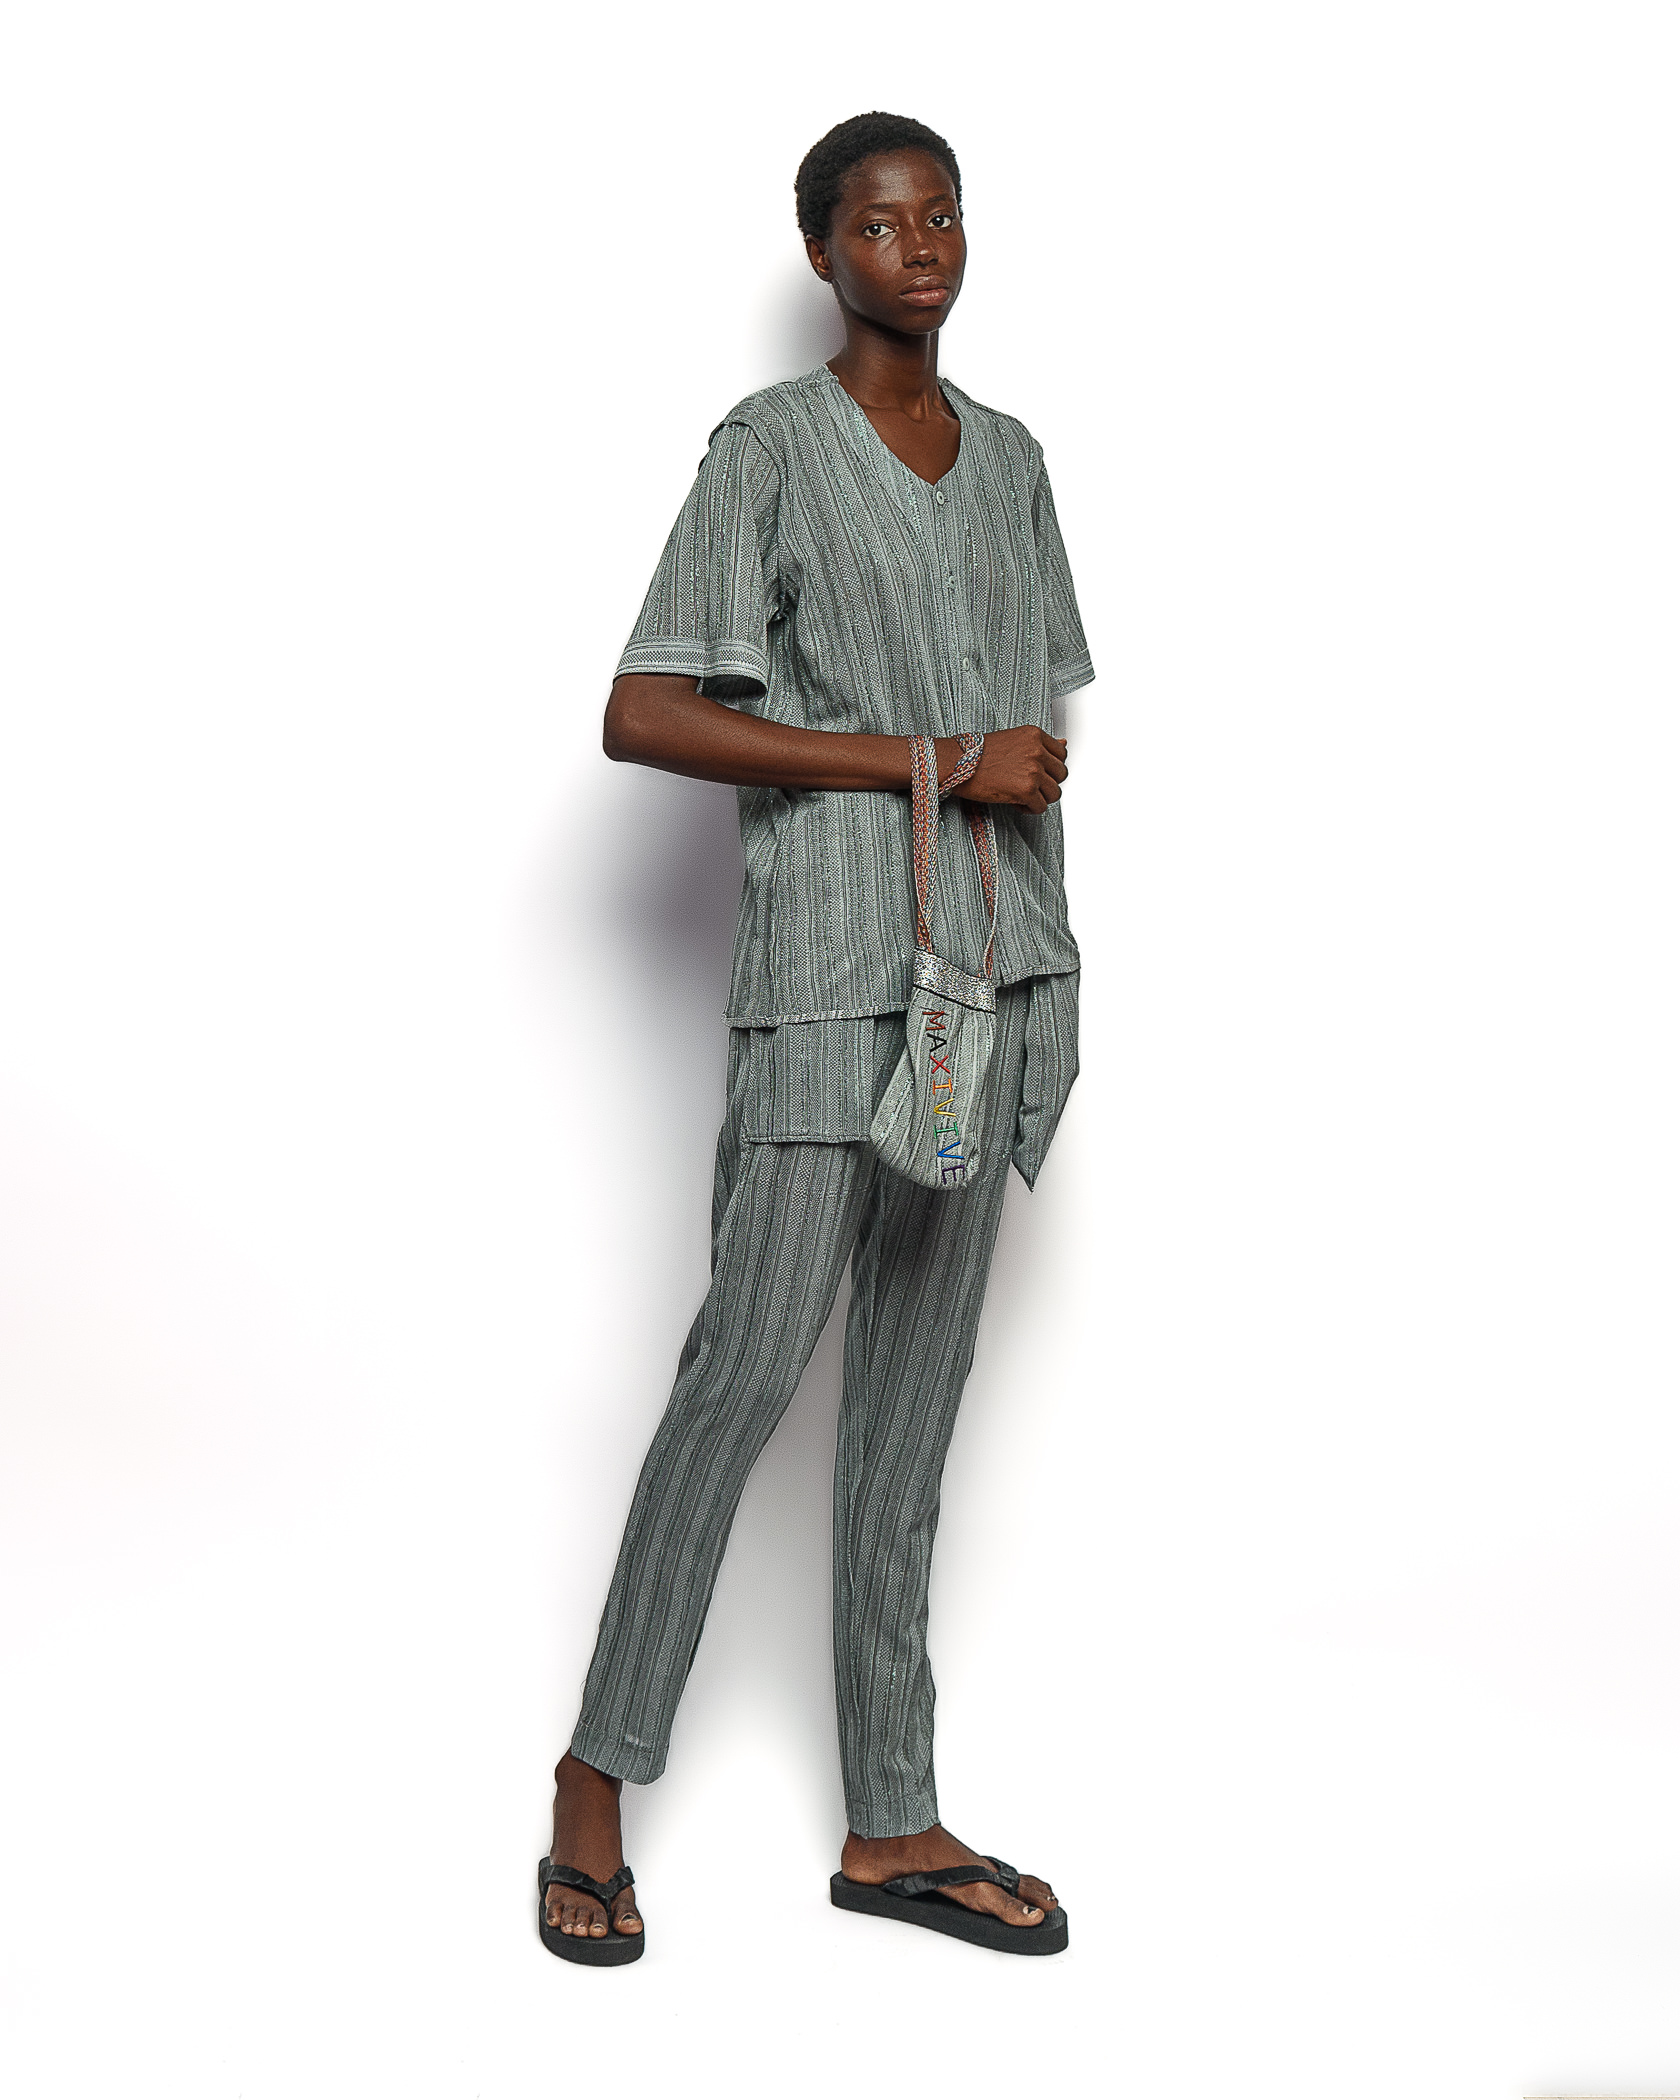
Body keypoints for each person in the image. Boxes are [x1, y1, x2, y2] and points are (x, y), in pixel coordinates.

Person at [541, 110, 1093, 1964]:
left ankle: (891, 1820)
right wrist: (928, 760)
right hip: (824, 982)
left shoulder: (1015, 465)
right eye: (879, 221)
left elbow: (1033, 748)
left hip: (983, 986)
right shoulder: (769, 450)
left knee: (911, 1420)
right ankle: (595, 1782)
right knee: (744, 1378)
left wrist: (1050, 969)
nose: (919, 245)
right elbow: (642, 711)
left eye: (943, 215)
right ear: (822, 252)